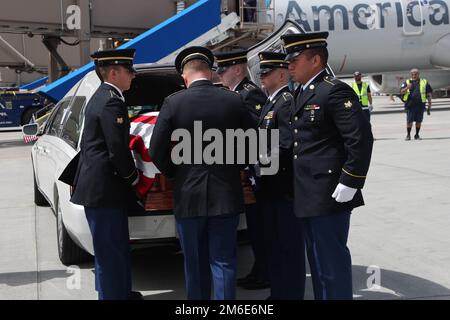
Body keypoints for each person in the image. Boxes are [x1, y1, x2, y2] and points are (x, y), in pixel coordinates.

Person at [149, 46, 254, 300]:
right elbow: (254, 143)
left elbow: (156, 150)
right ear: (210, 72)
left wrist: (176, 172)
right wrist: (234, 167)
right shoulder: (233, 99)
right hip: (226, 194)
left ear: (184, 77)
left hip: (188, 196)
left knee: (194, 264)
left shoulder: (174, 103)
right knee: (224, 261)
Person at [281, 31, 373, 300]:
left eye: (294, 59)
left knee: (331, 264)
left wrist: (351, 180)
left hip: (329, 193)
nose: (289, 65)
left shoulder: (333, 91)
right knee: (318, 264)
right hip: (308, 193)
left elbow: (360, 138)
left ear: (315, 60)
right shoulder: (302, 92)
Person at [69, 49, 142, 300]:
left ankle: (119, 292)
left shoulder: (102, 96)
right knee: (111, 250)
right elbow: (117, 149)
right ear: (113, 72)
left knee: (113, 248)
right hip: (105, 190)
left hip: (103, 189)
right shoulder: (111, 101)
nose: (133, 75)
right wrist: (133, 177)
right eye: (128, 70)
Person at [215, 49, 270, 290]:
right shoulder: (234, 94)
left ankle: (264, 272)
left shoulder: (249, 94)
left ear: (237, 69)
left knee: (261, 228)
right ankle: (260, 270)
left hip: (258, 172)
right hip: (248, 172)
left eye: (222, 70)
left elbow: (256, 136)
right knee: (256, 228)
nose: (219, 75)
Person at [256, 51, 305, 300]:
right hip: (270, 189)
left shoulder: (285, 102)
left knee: (290, 249)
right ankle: (278, 293)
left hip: (283, 190)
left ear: (283, 74)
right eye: (261, 72)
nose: (262, 76)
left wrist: (260, 167)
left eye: (267, 72)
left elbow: (285, 146)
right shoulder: (271, 101)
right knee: (274, 247)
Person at [400, 68, 432, 141]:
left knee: (419, 121)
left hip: (420, 105)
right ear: (411, 74)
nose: (414, 75)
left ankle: (417, 135)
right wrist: (407, 87)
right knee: (409, 121)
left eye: (415, 74)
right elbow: (401, 91)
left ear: (418, 74)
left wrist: (429, 103)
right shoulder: (407, 82)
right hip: (410, 105)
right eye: (412, 74)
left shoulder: (424, 82)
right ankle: (408, 135)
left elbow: (429, 93)